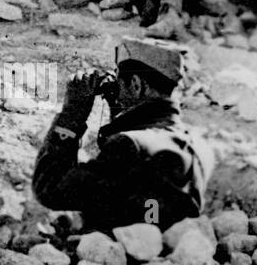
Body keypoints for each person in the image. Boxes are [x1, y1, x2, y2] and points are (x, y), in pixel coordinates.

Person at [32, 37, 209, 233]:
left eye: (119, 80)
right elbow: (136, 193)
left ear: (136, 84)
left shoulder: (128, 147)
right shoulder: (193, 141)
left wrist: (72, 114)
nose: (115, 87)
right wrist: (119, 110)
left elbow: (49, 189)